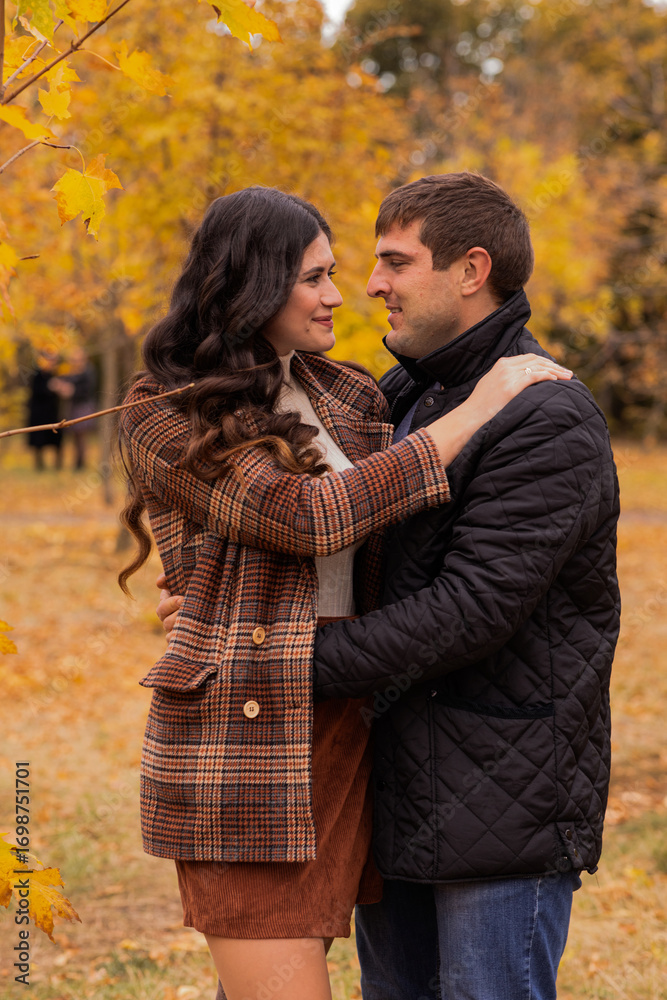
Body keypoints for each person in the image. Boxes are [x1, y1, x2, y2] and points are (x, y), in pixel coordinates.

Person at [159, 173, 620, 1000]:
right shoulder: (398, 393)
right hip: (394, 783)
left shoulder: (542, 411)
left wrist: (277, 656)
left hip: (499, 792)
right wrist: (212, 600)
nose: (369, 286)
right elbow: (314, 533)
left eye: (394, 263)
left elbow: (471, 609)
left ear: (470, 270)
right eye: (343, 269)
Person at [49, 347, 97, 470]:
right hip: (74, 407)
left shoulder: (88, 373)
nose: (75, 362)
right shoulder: (73, 372)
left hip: (83, 406)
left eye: (77, 360)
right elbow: (67, 381)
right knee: (75, 436)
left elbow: (85, 390)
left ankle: (80, 463)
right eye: (73, 360)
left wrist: (71, 391)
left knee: (81, 435)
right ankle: (77, 463)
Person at [26, 351, 65, 470]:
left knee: (56, 437)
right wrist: (49, 387)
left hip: (52, 412)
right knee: (39, 438)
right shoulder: (37, 375)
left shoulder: (55, 374)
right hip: (38, 413)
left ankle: (58, 464)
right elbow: (36, 391)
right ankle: (39, 464)